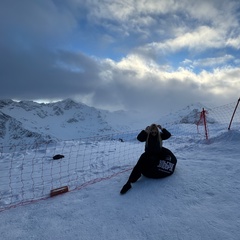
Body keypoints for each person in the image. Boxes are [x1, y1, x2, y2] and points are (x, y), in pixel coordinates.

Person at [120, 123, 177, 194]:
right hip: (149, 154)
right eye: (152, 131)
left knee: (167, 158)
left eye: (155, 131)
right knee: (139, 164)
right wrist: (145, 131)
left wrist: (162, 129)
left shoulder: (160, 136)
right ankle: (130, 182)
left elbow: (168, 135)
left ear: (157, 131)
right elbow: (139, 138)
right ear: (150, 131)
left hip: (158, 153)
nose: (154, 133)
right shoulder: (147, 136)